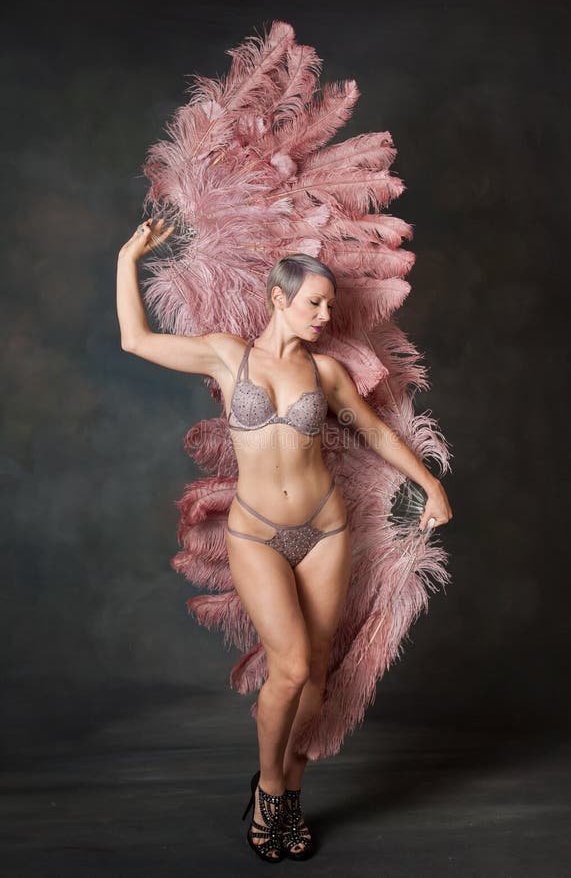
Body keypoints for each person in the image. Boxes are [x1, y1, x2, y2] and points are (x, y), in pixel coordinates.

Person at [116, 217, 453, 862]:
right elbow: (135, 339)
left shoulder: (325, 373)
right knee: (291, 664)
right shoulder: (226, 354)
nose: (325, 315)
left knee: (317, 670)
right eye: (314, 303)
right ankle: (269, 789)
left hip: (325, 529)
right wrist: (129, 255)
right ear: (279, 298)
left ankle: (291, 790)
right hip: (257, 533)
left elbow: (374, 432)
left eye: (328, 305)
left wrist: (429, 485)